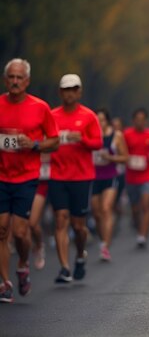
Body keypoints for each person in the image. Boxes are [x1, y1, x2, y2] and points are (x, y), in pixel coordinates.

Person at [0, 59, 59, 303]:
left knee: (21, 232)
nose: (15, 81)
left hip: (26, 176)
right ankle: (5, 283)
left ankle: (23, 265)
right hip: (1, 175)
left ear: (27, 81)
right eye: (11, 77)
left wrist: (33, 144)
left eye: (19, 78)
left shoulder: (40, 107)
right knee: (2, 229)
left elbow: (54, 141)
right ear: (6, 80)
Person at [49, 74, 102, 283]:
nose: (69, 93)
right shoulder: (52, 116)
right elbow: (43, 139)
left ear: (79, 92)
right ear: (60, 92)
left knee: (78, 226)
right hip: (57, 175)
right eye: (65, 89)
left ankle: (80, 255)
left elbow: (97, 143)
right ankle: (64, 267)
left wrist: (82, 139)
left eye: (73, 89)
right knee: (61, 219)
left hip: (81, 177)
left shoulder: (88, 116)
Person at [91, 108, 128, 261]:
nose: (99, 123)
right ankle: (102, 239)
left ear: (107, 121)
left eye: (102, 120)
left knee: (106, 208)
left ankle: (105, 246)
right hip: (93, 178)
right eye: (96, 120)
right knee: (97, 213)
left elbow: (125, 157)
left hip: (110, 177)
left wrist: (110, 158)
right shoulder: (90, 135)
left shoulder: (116, 136)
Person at [124, 108, 149, 248]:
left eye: (142, 120)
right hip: (132, 176)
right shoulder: (127, 134)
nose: (140, 122)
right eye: (137, 120)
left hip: (147, 175)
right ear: (133, 121)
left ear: (146, 121)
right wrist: (126, 157)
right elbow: (121, 149)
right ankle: (139, 227)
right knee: (135, 208)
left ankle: (143, 235)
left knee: (146, 204)